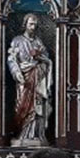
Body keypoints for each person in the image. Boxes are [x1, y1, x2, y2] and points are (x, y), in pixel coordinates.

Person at [8, 12, 52, 146]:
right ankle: (22, 134)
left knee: (38, 106)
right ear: (25, 24)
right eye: (31, 24)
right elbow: (12, 59)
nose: (33, 27)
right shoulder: (17, 41)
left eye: (35, 25)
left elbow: (47, 60)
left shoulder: (38, 42)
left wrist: (40, 58)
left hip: (38, 79)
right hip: (24, 80)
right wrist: (17, 73)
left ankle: (36, 134)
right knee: (22, 105)